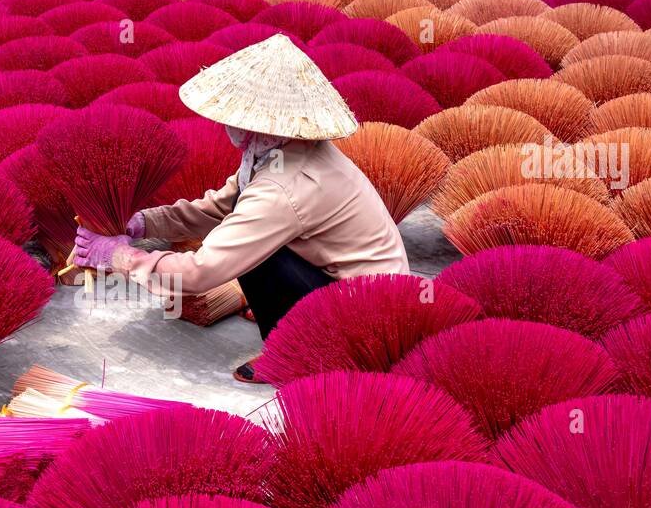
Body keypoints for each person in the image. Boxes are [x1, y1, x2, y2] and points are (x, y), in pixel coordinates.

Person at [73, 33, 409, 383]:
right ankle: (300, 334)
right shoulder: (282, 151)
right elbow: (224, 204)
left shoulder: (284, 187)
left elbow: (201, 272)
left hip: (367, 320)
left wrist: (119, 258)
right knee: (245, 232)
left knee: (256, 253)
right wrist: (144, 224)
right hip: (355, 290)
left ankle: (300, 356)